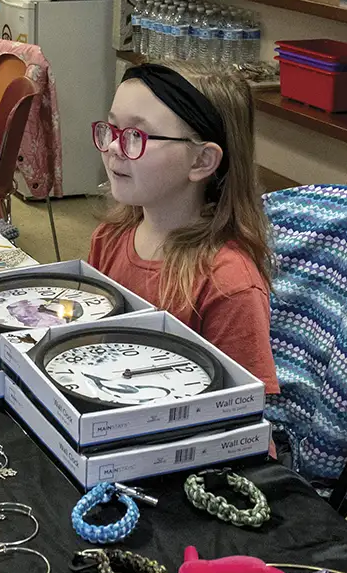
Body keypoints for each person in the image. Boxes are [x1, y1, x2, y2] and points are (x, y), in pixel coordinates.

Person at [88, 63, 280, 396]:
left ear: (201, 161)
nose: (115, 147)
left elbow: (242, 416)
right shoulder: (110, 237)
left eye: (137, 135)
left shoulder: (229, 284)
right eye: (113, 128)